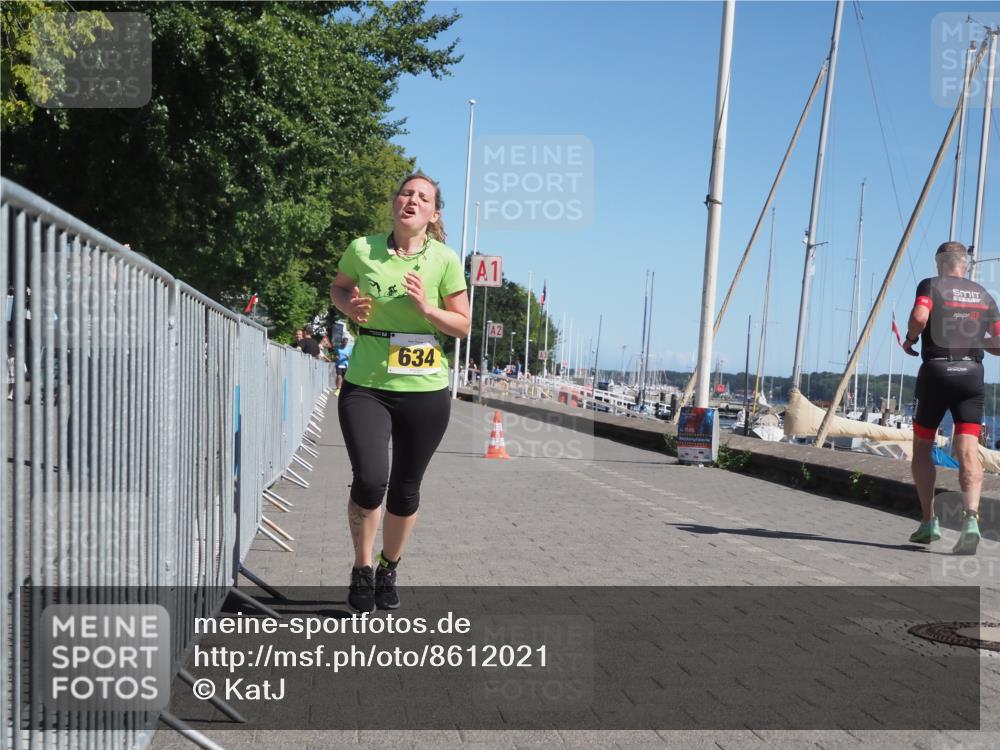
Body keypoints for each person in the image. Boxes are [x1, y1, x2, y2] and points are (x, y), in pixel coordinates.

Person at [329, 173, 470, 612]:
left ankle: (390, 566)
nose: (412, 200)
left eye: (422, 197)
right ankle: (361, 566)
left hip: (425, 388)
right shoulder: (362, 248)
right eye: (406, 193)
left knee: (406, 489)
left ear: (433, 213)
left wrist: (427, 309)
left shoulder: (445, 260)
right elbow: (339, 287)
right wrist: (349, 306)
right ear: (395, 203)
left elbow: (463, 324)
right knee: (371, 479)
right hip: (367, 383)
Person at [902, 241, 1000, 555]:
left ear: (939, 263)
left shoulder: (931, 285)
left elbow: (919, 316)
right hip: (971, 374)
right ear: (965, 264)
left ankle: (929, 521)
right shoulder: (984, 295)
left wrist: (911, 338)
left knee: (922, 445)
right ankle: (970, 521)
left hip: (936, 371)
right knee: (968, 448)